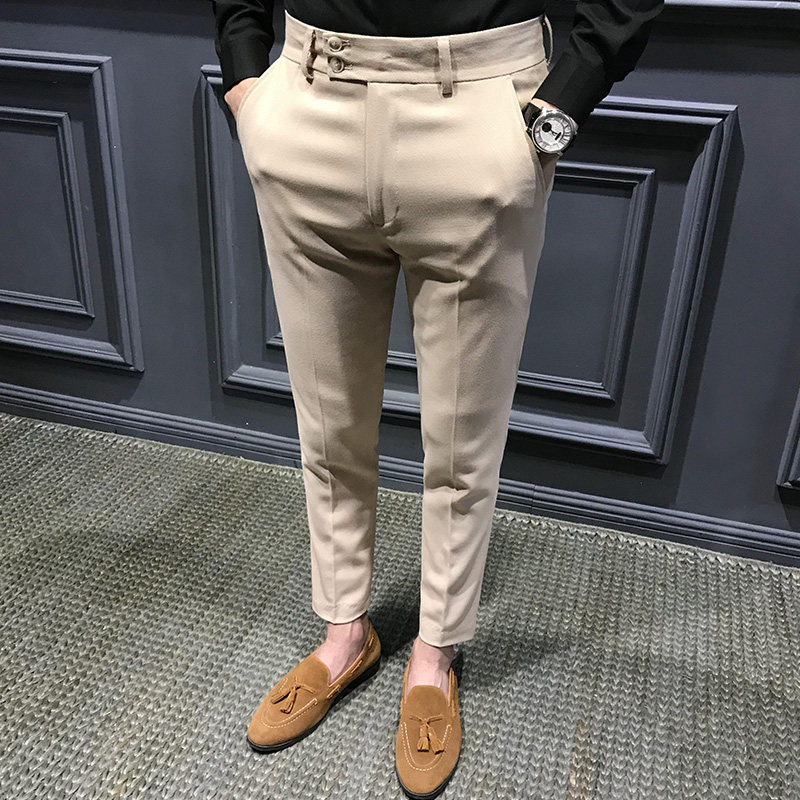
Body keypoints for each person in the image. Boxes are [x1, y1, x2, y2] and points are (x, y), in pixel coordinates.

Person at [210, 1, 663, 796]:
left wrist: (567, 91)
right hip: (309, 96)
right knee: (328, 425)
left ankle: (436, 653)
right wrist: (246, 75)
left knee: (462, 441)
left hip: (480, 108)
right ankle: (345, 631)